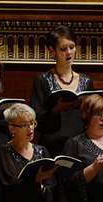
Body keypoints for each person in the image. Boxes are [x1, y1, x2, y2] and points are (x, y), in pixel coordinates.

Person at [30, 25, 95, 155]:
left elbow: (92, 115)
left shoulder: (86, 81)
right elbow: (35, 117)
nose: (69, 52)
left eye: (72, 47)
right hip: (52, 143)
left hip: (79, 143)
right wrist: (55, 111)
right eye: (63, 49)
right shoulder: (42, 80)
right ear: (52, 51)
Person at [0, 103, 57, 202]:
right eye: (24, 125)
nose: (30, 128)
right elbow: (11, 188)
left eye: (32, 123)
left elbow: (51, 186)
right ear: (12, 128)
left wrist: (42, 187)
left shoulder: (42, 150)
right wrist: (36, 181)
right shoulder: (4, 151)